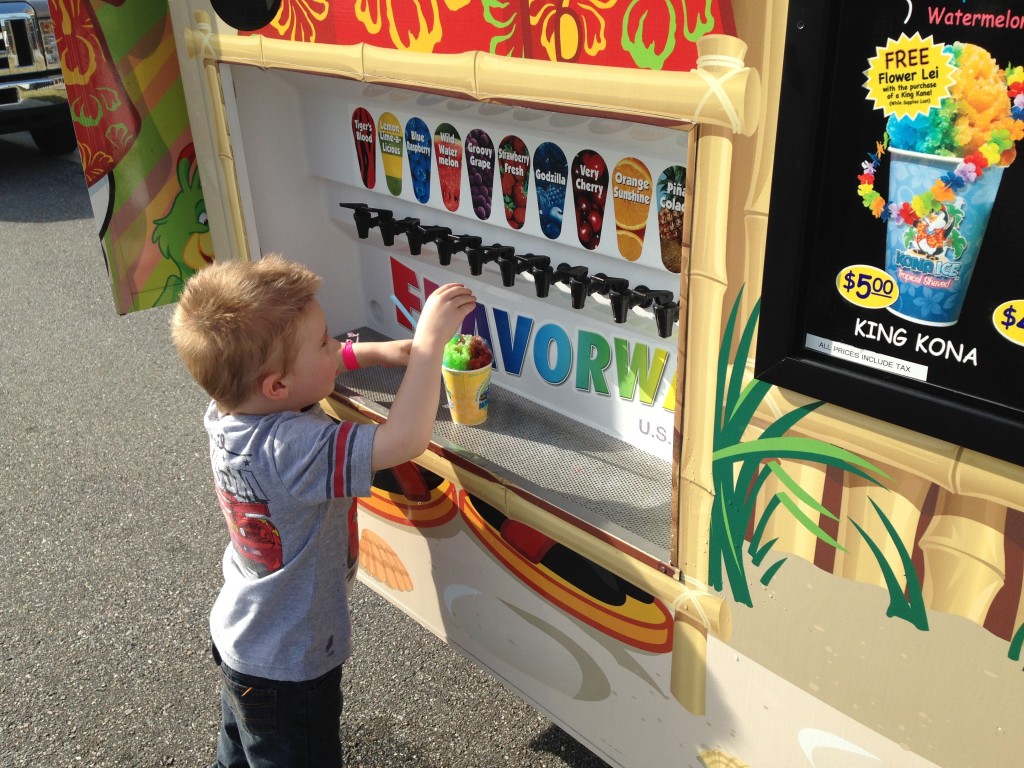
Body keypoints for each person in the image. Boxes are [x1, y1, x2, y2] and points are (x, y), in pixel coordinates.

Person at [170, 253, 476, 767]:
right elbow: (404, 439)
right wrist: (426, 348)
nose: (337, 348)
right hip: (289, 668)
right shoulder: (293, 447)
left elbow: (307, 370)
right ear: (278, 388)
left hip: (242, 639)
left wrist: (382, 353)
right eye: (325, 342)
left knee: (240, 752)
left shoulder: (229, 409)